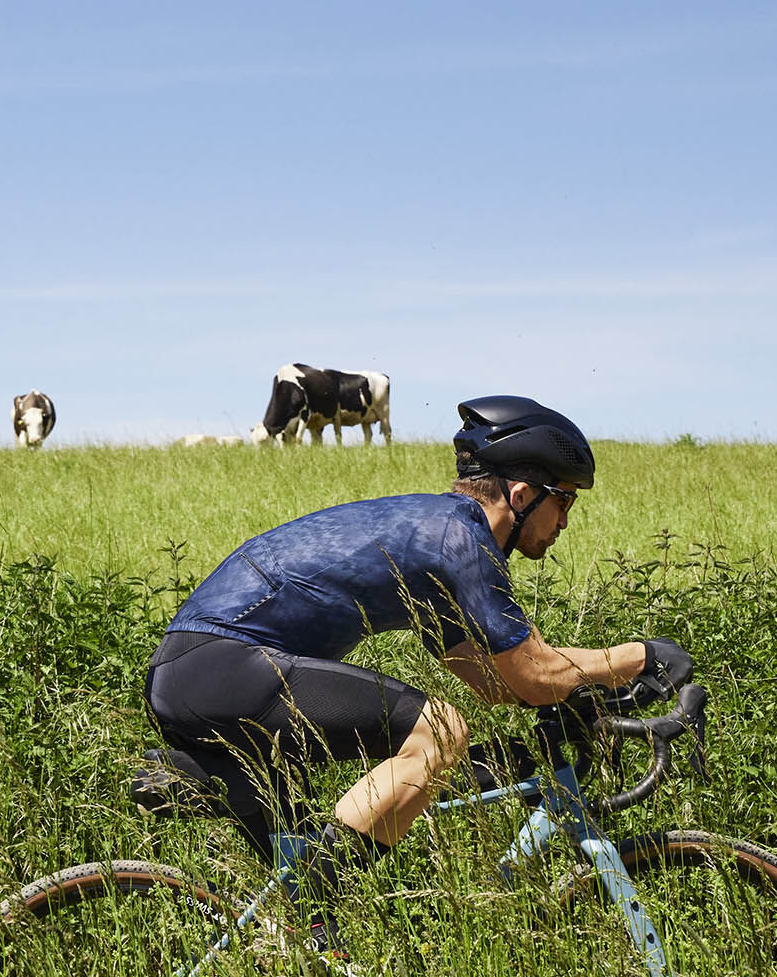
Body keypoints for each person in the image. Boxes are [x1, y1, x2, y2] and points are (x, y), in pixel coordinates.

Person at [144, 395, 692, 932]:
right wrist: (644, 657)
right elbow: (535, 673)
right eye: (566, 501)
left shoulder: (435, 534)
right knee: (440, 731)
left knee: (307, 923)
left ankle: (299, 929)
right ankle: (314, 884)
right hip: (222, 665)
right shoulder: (459, 539)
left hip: (204, 672)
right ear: (522, 493)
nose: (566, 522)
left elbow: (498, 681)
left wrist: (569, 710)